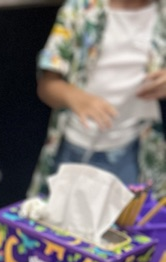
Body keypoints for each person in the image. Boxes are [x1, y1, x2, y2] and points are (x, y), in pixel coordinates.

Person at [28, 0, 166, 197]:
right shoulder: (80, 9)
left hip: (137, 151)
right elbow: (47, 85)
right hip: (74, 146)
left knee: (127, 223)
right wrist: (73, 96)